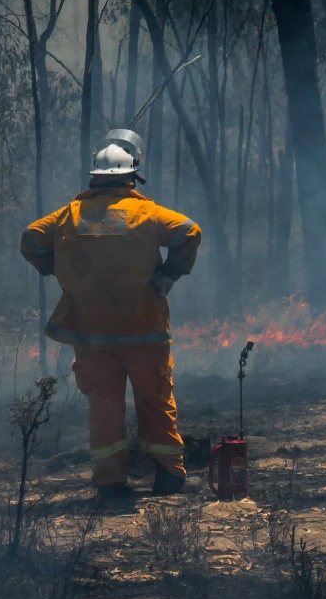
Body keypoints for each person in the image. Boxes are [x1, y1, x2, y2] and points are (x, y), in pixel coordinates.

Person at [20, 130, 201, 500]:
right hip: (144, 330)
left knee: (103, 408)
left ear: (94, 178)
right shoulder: (148, 214)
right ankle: (168, 477)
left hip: (92, 336)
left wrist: (58, 268)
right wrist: (169, 274)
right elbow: (189, 231)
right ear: (132, 177)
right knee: (155, 402)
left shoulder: (69, 215)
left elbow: (30, 238)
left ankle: (109, 482)